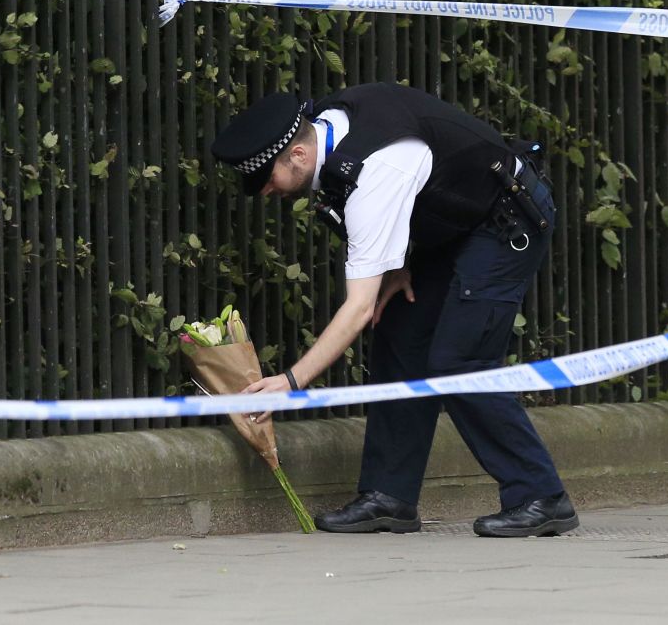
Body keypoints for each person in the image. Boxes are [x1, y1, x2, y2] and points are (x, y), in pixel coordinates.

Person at [211, 82, 578, 538]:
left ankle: (542, 497)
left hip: (505, 220)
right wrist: (400, 265)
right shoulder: (331, 127)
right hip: (453, 222)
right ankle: (390, 499)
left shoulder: (374, 169)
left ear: (299, 157)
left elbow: (359, 307)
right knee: (400, 336)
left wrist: (289, 383)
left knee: (460, 361)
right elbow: (416, 196)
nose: (266, 191)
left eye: (267, 178)